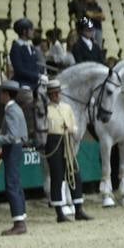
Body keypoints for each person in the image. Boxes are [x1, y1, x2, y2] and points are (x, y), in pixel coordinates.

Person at [0, 80, 30, 236]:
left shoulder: (11, 111)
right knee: (16, 183)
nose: (0, 96)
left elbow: (11, 136)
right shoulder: (17, 109)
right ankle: (21, 217)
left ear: (7, 94)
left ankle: (19, 223)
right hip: (15, 148)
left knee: (11, 185)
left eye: (2, 93)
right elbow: (23, 135)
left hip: (13, 148)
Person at [43, 79, 91, 222]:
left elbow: (74, 126)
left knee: (74, 174)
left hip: (67, 142)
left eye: (58, 93)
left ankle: (78, 209)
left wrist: (71, 129)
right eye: (53, 93)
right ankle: (59, 212)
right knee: (57, 176)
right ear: (49, 95)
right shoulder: (46, 109)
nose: (56, 95)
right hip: (53, 142)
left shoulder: (67, 107)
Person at [9, 18, 45, 92]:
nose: (33, 32)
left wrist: (40, 75)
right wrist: (37, 76)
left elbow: (34, 65)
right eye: (31, 29)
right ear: (24, 31)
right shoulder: (16, 48)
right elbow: (19, 70)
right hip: (23, 83)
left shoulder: (30, 47)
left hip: (33, 82)